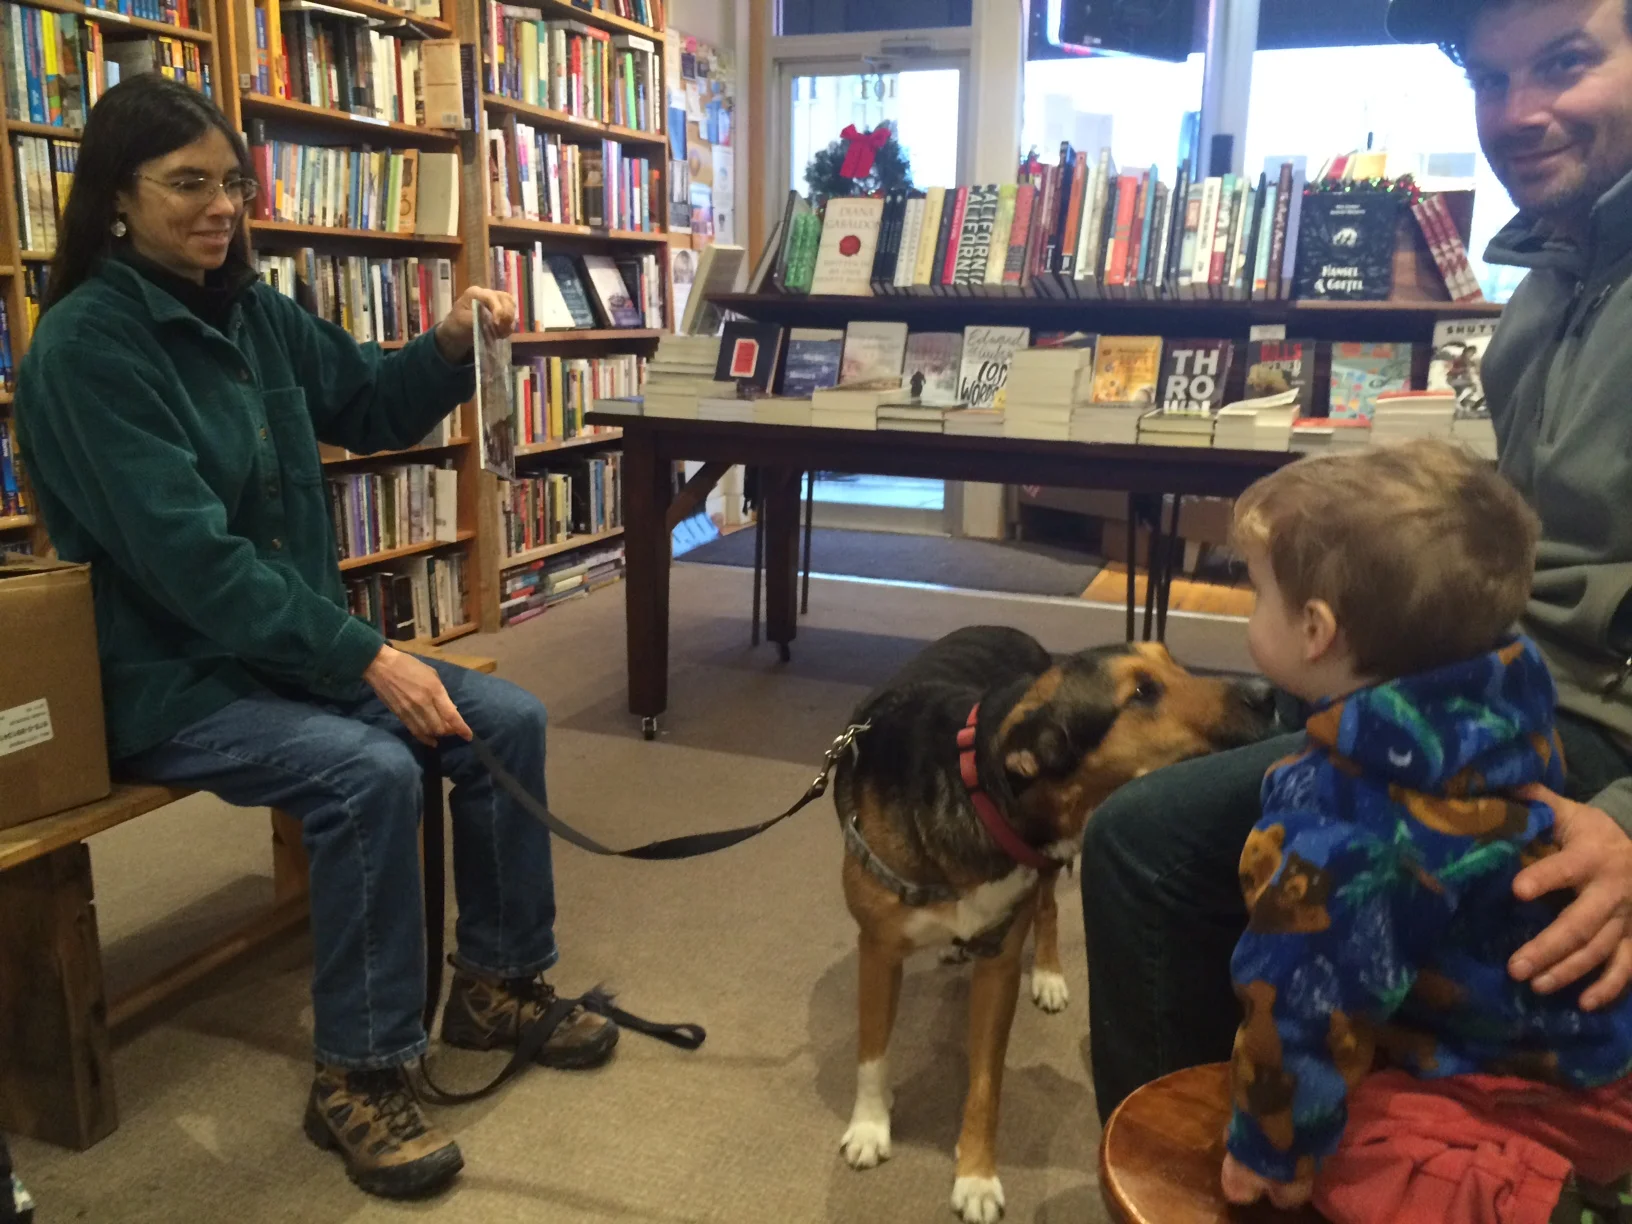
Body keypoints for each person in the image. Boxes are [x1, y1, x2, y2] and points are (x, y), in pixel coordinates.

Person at [14, 75, 617, 1201]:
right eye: (188, 183)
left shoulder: (250, 309)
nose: (221, 208)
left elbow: (375, 405)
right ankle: (360, 1069)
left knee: (507, 719)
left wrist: (443, 345)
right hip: (168, 679)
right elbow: (190, 566)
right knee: (367, 773)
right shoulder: (87, 349)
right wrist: (364, 656)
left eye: (231, 183)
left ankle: (493, 984)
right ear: (112, 199)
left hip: (282, 650)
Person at [1081, 0, 1632, 1126]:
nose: (1518, 113)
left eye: (1567, 63)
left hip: (1587, 725)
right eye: (1489, 79)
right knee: (1291, 721)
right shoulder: (1546, 288)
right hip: (1503, 677)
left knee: (1141, 843)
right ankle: (1312, 1087)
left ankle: (1218, 1167)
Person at [1216, 440, 1632, 1221]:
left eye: (1254, 591)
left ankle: (1551, 1201)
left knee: (1350, 1150)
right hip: (1596, 1032)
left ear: (1315, 630)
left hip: (1542, 1085)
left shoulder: (1336, 831)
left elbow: (1302, 1002)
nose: (1248, 607)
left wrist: (1268, 1149)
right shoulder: (1505, 686)